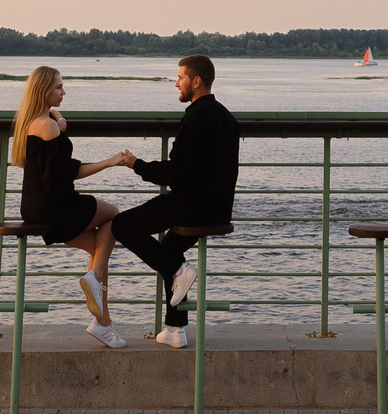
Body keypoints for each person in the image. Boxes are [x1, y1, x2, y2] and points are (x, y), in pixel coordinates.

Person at [104, 53, 240, 349]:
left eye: (180, 78)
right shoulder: (227, 117)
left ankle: (179, 270)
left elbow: (176, 173)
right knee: (168, 250)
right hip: (218, 208)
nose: (176, 84)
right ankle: (175, 329)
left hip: (191, 206)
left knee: (121, 225)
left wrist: (137, 165)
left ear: (196, 81)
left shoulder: (195, 117)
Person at [12, 64, 138, 347]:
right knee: (114, 216)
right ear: (43, 90)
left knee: (98, 247)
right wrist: (109, 162)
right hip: (56, 207)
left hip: (33, 207)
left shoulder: (31, 122)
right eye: (58, 87)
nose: (64, 92)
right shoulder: (47, 127)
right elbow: (69, 172)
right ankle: (94, 278)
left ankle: (103, 324)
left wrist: (59, 119)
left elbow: (59, 165)